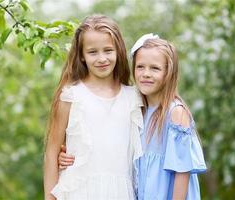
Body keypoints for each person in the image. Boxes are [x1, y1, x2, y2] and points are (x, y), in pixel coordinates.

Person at [59, 33, 207, 200]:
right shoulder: (138, 109)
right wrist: (69, 152)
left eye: (155, 68)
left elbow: (182, 172)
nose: (146, 74)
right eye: (140, 67)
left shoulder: (175, 113)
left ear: (169, 73)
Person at [43, 14, 143, 200]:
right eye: (92, 52)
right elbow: (52, 152)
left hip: (121, 193)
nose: (102, 58)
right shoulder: (71, 96)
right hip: (79, 192)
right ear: (81, 55)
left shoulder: (134, 97)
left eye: (108, 50)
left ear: (118, 51)